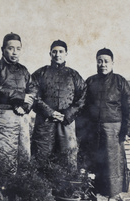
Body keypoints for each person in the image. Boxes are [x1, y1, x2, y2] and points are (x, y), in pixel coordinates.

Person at [0, 33, 37, 201]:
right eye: (10, 48)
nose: (14, 52)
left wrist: (25, 107)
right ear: (3, 49)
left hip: (21, 119)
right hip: (2, 118)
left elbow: (33, 91)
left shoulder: (24, 71)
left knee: (22, 159)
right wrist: (18, 98)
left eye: (18, 49)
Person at [81, 48, 130, 201]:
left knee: (112, 163)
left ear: (112, 63)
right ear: (96, 62)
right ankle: (91, 193)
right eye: (100, 60)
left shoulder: (120, 81)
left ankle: (112, 197)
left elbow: (129, 106)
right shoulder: (90, 81)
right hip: (92, 129)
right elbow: (82, 106)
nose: (102, 64)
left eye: (106, 61)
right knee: (92, 160)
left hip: (113, 129)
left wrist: (126, 131)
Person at [31, 40, 86, 170]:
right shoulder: (40, 73)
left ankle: (66, 190)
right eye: (54, 51)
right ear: (50, 53)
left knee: (68, 157)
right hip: (44, 123)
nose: (57, 55)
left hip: (66, 122)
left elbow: (83, 97)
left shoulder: (74, 75)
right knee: (41, 157)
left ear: (66, 53)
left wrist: (66, 115)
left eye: (61, 52)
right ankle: (42, 189)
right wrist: (50, 112)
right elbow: (33, 95)